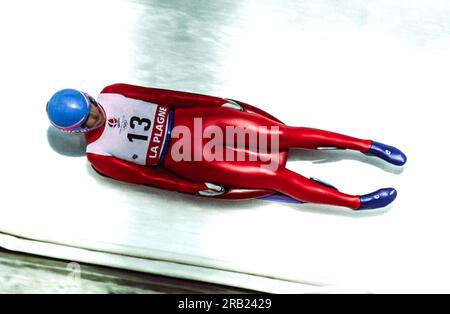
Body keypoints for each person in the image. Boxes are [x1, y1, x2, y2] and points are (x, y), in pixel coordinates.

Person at [46, 83, 406, 210]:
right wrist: (195, 188)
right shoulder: (99, 157)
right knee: (274, 177)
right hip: (186, 158)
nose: (96, 115)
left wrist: (216, 102)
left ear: (91, 97)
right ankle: (356, 202)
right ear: (77, 129)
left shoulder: (115, 91)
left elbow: (167, 96)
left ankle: (367, 145)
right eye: (88, 120)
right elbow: (150, 178)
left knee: (283, 135)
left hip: (197, 122)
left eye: (91, 107)